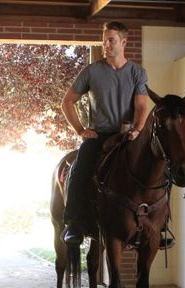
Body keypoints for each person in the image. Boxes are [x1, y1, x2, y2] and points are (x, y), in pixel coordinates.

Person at [61, 21, 150, 246]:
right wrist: (80, 129)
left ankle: (158, 224)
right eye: (104, 39)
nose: (106, 44)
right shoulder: (91, 71)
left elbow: (141, 106)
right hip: (99, 137)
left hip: (128, 136)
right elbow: (67, 102)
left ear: (123, 42)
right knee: (78, 171)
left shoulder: (137, 72)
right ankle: (73, 224)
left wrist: (137, 130)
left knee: (157, 169)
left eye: (111, 40)